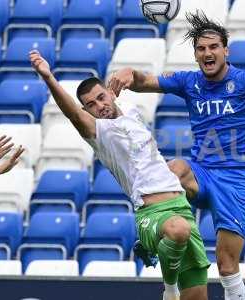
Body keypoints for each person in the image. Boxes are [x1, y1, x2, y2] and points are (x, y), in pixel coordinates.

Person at [108, 6, 245, 300]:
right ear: (195, 55)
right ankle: (153, 233)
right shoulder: (189, 82)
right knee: (173, 169)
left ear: (226, 51)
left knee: (226, 263)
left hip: (234, 178)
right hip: (201, 171)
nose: (208, 52)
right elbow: (145, 82)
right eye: (201, 48)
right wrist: (129, 73)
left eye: (214, 47)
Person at [30, 50, 210, 300]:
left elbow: (151, 80)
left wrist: (143, 74)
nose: (99, 106)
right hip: (152, 212)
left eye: (101, 97)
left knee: (198, 296)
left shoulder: (131, 109)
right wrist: (49, 77)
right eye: (90, 105)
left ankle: (156, 251)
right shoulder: (98, 133)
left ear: (109, 93)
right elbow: (72, 112)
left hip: (180, 205)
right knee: (178, 231)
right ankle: (169, 291)